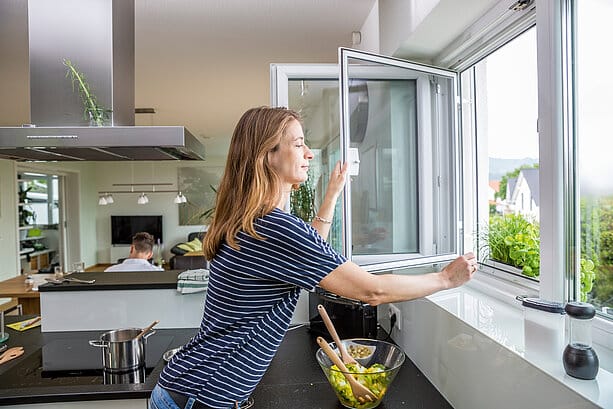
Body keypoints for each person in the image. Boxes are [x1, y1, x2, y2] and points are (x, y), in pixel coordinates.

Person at [150, 107, 477, 409]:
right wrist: (444, 279)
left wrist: (331, 195)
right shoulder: (272, 226)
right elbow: (371, 290)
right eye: (298, 144)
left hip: (187, 385)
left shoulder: (248, 221)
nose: (308, 154)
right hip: (202, 394)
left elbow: (307, 255)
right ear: (268, 156)